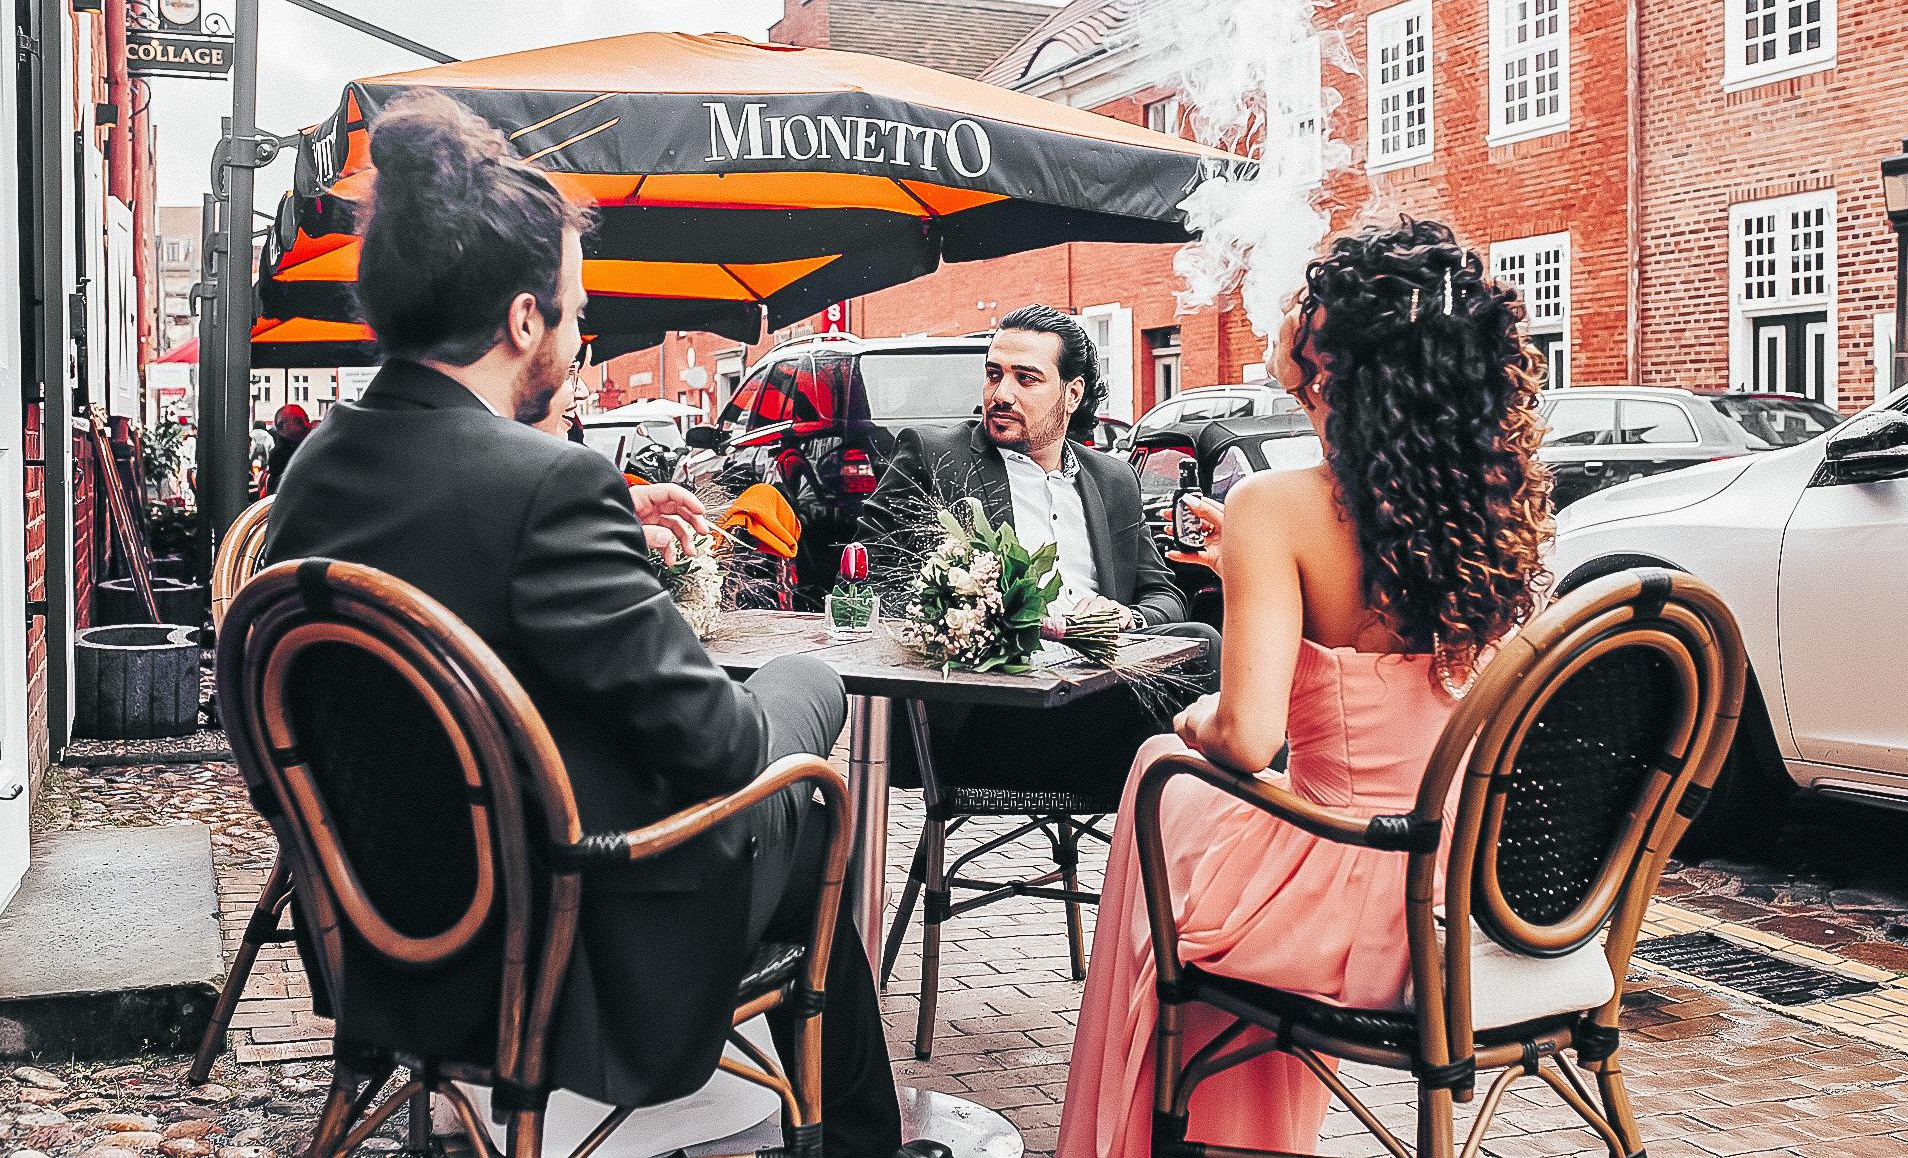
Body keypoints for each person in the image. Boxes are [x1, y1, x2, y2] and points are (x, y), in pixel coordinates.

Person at [263, 89, 911, 1158]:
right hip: (562, 953)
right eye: (570, 310)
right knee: (804, 772)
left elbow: (468, 556)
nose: (574, 333)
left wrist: (605, 513)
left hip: (385, 943)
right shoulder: (547, 489)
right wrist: (803, 679)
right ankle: (850, 1140)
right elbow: (720, 747)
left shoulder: (315, 470)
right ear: (523, 319)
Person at [1055, 219, 1553, 1158]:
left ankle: (1177, 1135)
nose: (1299, 413)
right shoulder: (1492, 501)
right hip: (1491, 902)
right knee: (1198, 831)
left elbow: (1248, 737)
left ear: (1351, 383)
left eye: (1303, 387)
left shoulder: (1276, 506)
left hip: (1363, 900)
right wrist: (1248, 561)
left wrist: (1198, 711)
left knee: (1165, 769)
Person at [858, 304, 1218, 799]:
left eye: (1025, 379)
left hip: (1101, 705)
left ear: (1072, 394)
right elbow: (874, 576)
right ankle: (1282, 839)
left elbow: (1162, 593)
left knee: (1202, 644)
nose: (1001, 394)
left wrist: (1125, 618)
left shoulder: (1112, 480)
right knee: (1211, 697)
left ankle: (1237, 847)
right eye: (993, 374)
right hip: (989, 718)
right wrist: (975, 617)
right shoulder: (935, 454)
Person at [260, 403, 312, 495]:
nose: (306, 424)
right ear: (281, 426)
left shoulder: (308, 448)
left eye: (306, 419)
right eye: (299, 421)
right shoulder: (281, 457)